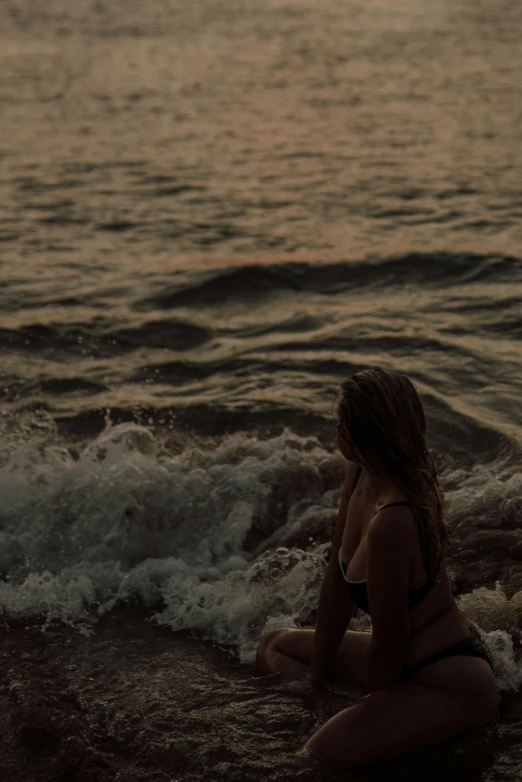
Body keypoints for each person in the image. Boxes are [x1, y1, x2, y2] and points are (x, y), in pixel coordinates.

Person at [255, 367, 499, 772]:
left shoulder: (394, 520)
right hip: (400, 660)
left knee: (308, 763)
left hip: (447, 679)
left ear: (359, 433)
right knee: (274, 646)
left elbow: (391, 640)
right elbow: (337, 578)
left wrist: (369, 709)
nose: (335, 429)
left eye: (340, 422)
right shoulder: (360, 471)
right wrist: (316, 681)